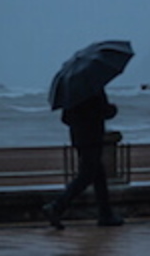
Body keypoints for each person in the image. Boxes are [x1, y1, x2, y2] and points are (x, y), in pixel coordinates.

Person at [42, 90, 124, 229]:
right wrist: (112, 109)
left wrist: (79, 122)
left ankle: (105, 214)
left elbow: (65, 118)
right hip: (92, 137)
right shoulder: (94, 89)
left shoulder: (71, 93)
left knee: (98, 175)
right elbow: (102, 112)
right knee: (86, 176)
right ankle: (57, 206)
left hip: (79, 138)